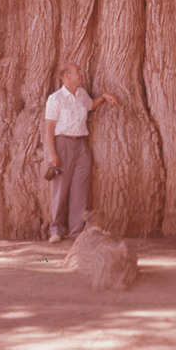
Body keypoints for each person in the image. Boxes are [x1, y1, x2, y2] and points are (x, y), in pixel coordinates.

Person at [44, 62, 118, 243]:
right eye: (77, 71)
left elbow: (91, 106)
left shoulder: (82, 94)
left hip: (82, 146)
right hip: (63, 144)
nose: (81, 73)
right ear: (66, 76)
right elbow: (49, 128)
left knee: (80, 189)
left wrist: (103, 97)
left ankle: (76, 231)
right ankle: (56, 230)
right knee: (60, 189)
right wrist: (52, 153)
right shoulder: (56, 99)